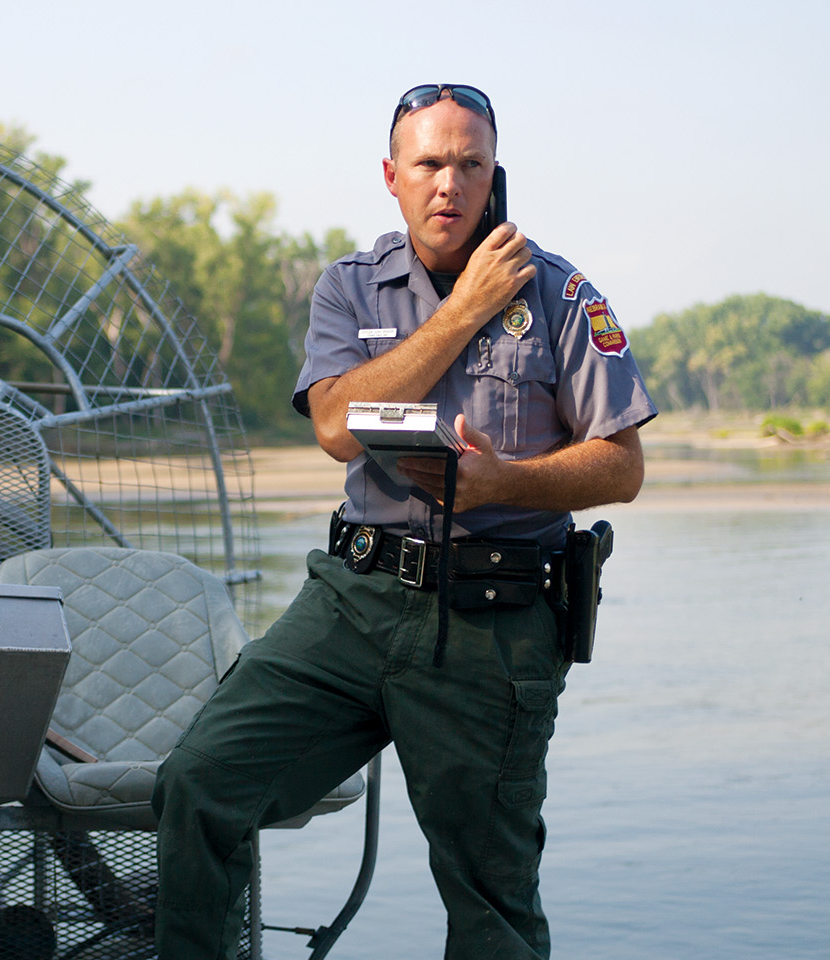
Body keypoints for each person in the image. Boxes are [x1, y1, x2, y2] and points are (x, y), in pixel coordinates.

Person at [152, 83, 657, 960]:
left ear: (496, 174)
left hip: (492, 622)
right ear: (392, 175)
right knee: (199, 786)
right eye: (429, 164)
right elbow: (337, 427)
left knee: (489, 897)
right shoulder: (351, 288)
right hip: (350, 603)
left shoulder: (563, 291)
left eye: (470, 165)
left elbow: (621, 467)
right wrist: (464, 311)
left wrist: (504, 480)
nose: (449, 185)